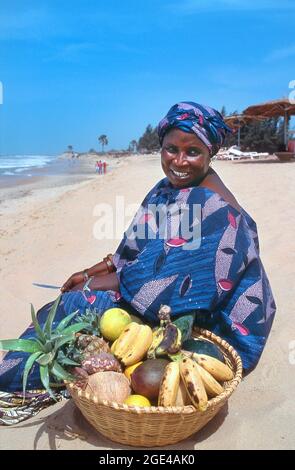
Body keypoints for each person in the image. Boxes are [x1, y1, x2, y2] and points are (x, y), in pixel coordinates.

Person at [0, 101, 276, 424]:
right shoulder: (168, 189)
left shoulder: (212, 208)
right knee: (74, 300)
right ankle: (20, 371)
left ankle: (16, 379)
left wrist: (95, 284)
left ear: (209, 153)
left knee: (78, 307)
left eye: (192, 152)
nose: (179, 161)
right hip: (168, 299)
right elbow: (138, 249)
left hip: (219, 326)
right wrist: (93, 270)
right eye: (171, 149)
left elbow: (166, 285)